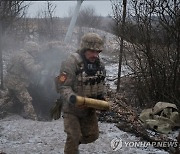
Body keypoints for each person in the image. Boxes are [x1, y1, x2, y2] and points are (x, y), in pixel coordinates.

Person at [56, 33, 106, 154]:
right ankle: (72, 146)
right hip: (71, 109)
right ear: (84, 49)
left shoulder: (100, 65)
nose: (95, 55)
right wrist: (73, 98)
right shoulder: (71, 62)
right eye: (92, 51)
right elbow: (62, 86)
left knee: (93, 136)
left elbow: (100, 84)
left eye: (98, 52)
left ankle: (74, 143)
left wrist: (101, 99)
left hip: (89, 108)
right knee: (73, 136)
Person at [4, 41, 42, 120]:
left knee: (7, 97)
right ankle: (33, 118)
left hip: (9, 80)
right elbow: (31, 69)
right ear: (31, 49)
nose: (35, 52)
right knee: (27, 100)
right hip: (17, 83)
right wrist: (40, 65)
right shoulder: (27, 57)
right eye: (35, 51)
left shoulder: (17, 54)